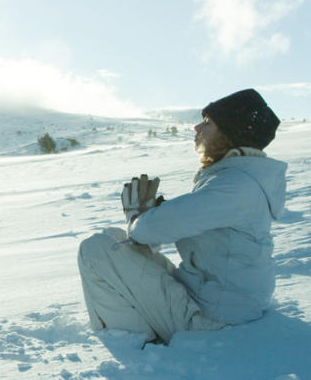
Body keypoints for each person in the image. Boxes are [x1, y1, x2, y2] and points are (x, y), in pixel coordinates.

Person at [78, 88, 287, 344]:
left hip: (212, 318)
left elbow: (146, 232)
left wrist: (139, 216)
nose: (197, 128)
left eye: (209, 122)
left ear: (232, 134)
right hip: (216, 297)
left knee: (95, 250)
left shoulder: (234, 186)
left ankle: (134, 340)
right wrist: (150, 217)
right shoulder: (237, 179)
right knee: (114, 240)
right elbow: (164, 231)